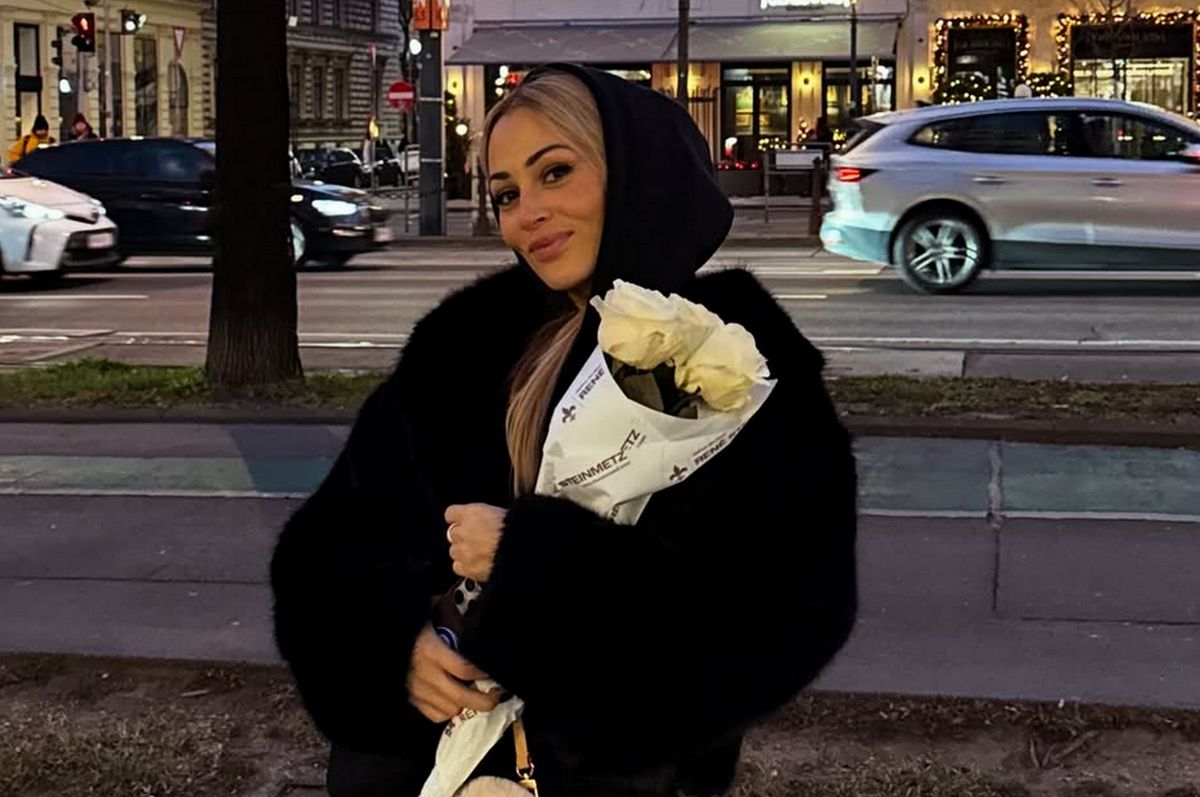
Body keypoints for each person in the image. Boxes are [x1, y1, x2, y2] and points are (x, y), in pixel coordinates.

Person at [270, 64, 858, 797]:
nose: (529, 214)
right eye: (507, 194)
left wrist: (535, 563)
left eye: (555, 173)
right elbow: (327, 550)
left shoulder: (737, 359)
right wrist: (396, 651)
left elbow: (782, 620)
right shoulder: (463, 347)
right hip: (420, 771)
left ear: (634, 172)